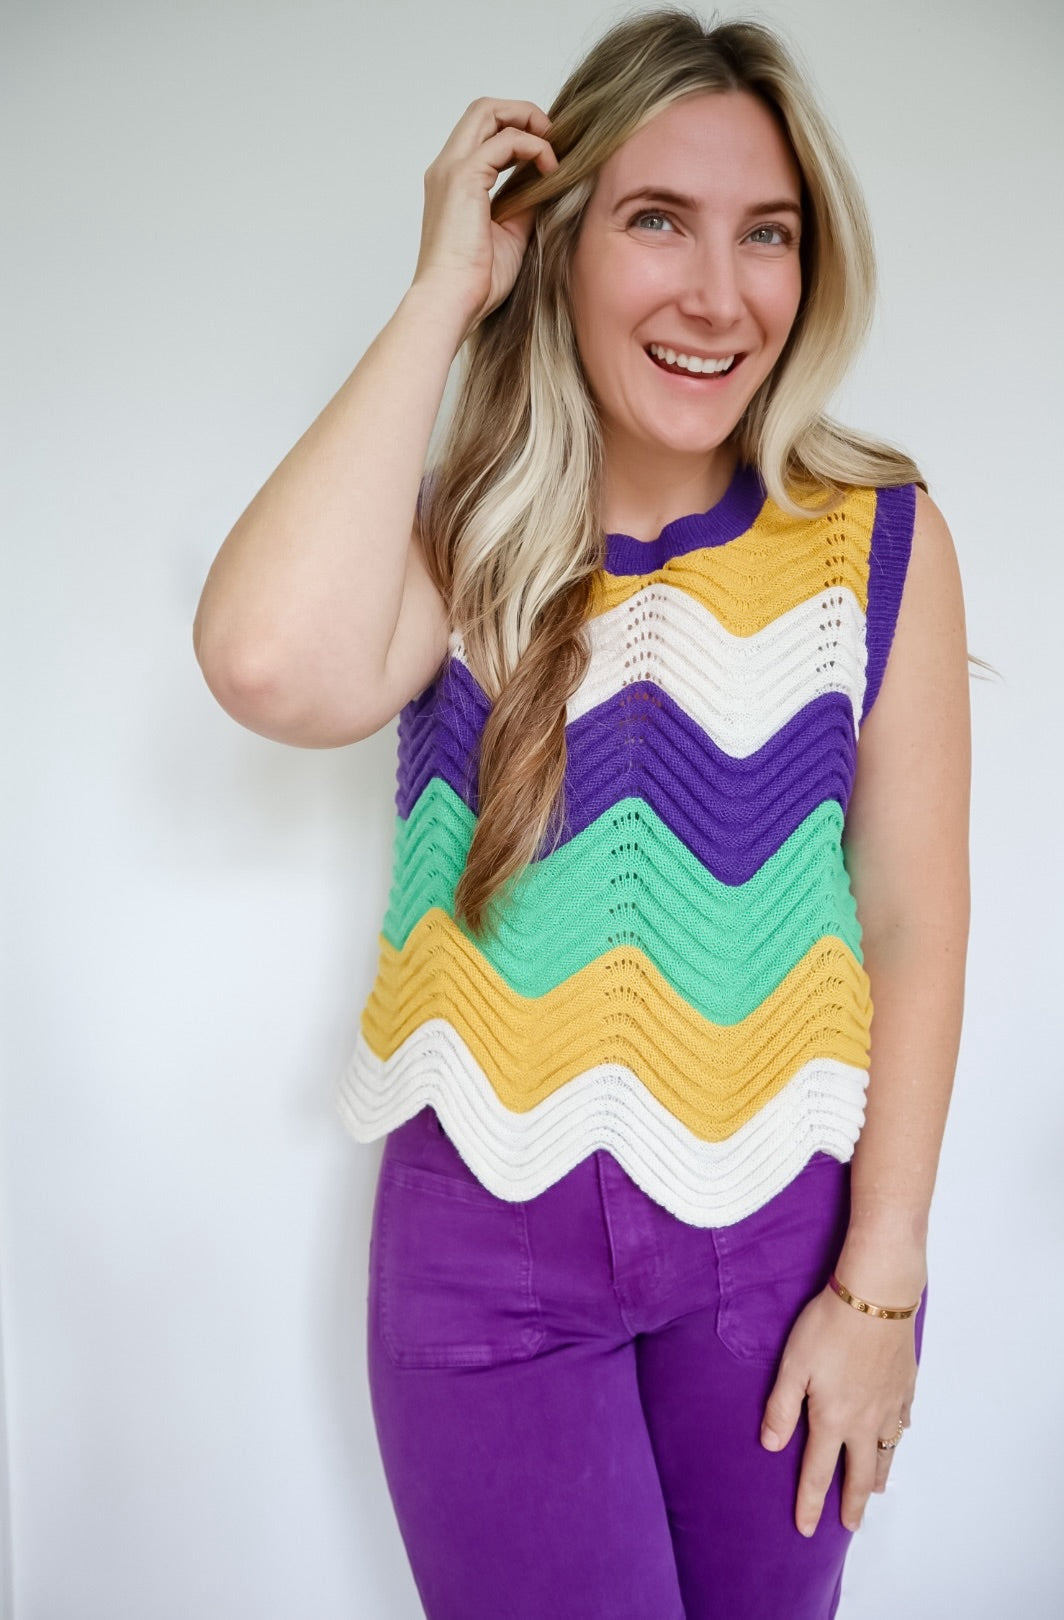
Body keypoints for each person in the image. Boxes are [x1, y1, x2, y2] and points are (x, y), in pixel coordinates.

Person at [192, 8, 971, 1617]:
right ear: (559, 245)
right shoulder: (458, 537)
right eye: (657, 221)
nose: (720, 293)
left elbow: (912, 917)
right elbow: (263, 662)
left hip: (781, 1254)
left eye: (768, 233)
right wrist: (443, 292)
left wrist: (881, 1285)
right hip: (483, 1260)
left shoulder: (874, 538)